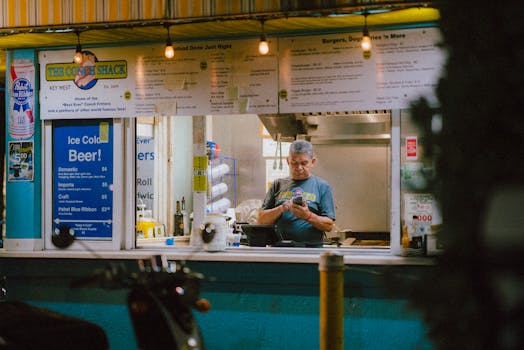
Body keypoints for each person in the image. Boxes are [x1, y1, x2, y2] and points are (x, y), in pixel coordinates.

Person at [257, 139, 335, 247]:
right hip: (279, 250)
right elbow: (261, 220)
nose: (299, 168)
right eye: (294, 163)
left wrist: (307, 215)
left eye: (304, 163)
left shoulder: (322, 187)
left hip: (311, 251)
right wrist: (281, 209)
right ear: (288, 161)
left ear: (312, 162)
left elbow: (329, 225)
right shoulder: (277, 185)